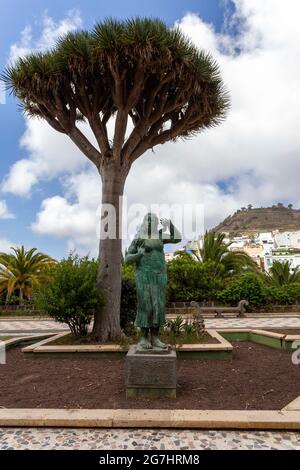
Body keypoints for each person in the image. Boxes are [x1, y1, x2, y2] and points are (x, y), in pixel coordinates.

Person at [125, 213, 181, 351]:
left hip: (160, 275)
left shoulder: (160, 236)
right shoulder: (139, 238)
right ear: (144, 222)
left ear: (156, 223)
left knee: (158, 306)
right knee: (146, 305)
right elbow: (127, 259)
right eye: (147, 220)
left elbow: (177, 238)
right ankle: (143, 337)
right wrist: (139, 254)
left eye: (153, 220)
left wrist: (170, 225)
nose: (150, 222)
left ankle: (155, 338)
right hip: (144, 275)